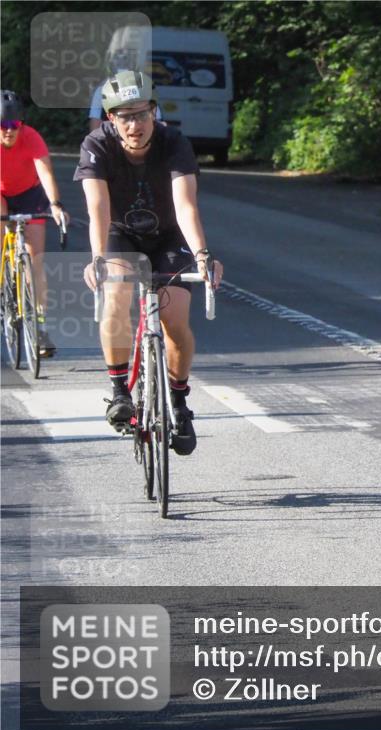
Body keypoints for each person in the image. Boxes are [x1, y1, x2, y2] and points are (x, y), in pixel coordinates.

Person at [78, 71, 222, 455]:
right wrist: (98, 258)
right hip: (120, 234)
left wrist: (203, 255)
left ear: (154, 112)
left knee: (175, 320)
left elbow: (186, 206)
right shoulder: (96, 145)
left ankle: (178, 401)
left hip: (168, 236)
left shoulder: (174, 143)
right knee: (117, 295)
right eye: (125, 116)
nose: (134, 125)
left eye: (142, 114)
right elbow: (97, 210)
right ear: (111, 118)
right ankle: (119, 391)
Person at [0, 90, 69, 357]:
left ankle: (40, 327)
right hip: (1, 194)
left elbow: (45, 172)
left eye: (14, 124)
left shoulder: (31, 138)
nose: (9, 131)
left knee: (35, 260)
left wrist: (56, 204)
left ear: (22, 124)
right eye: (3, 125)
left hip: (30, 193)